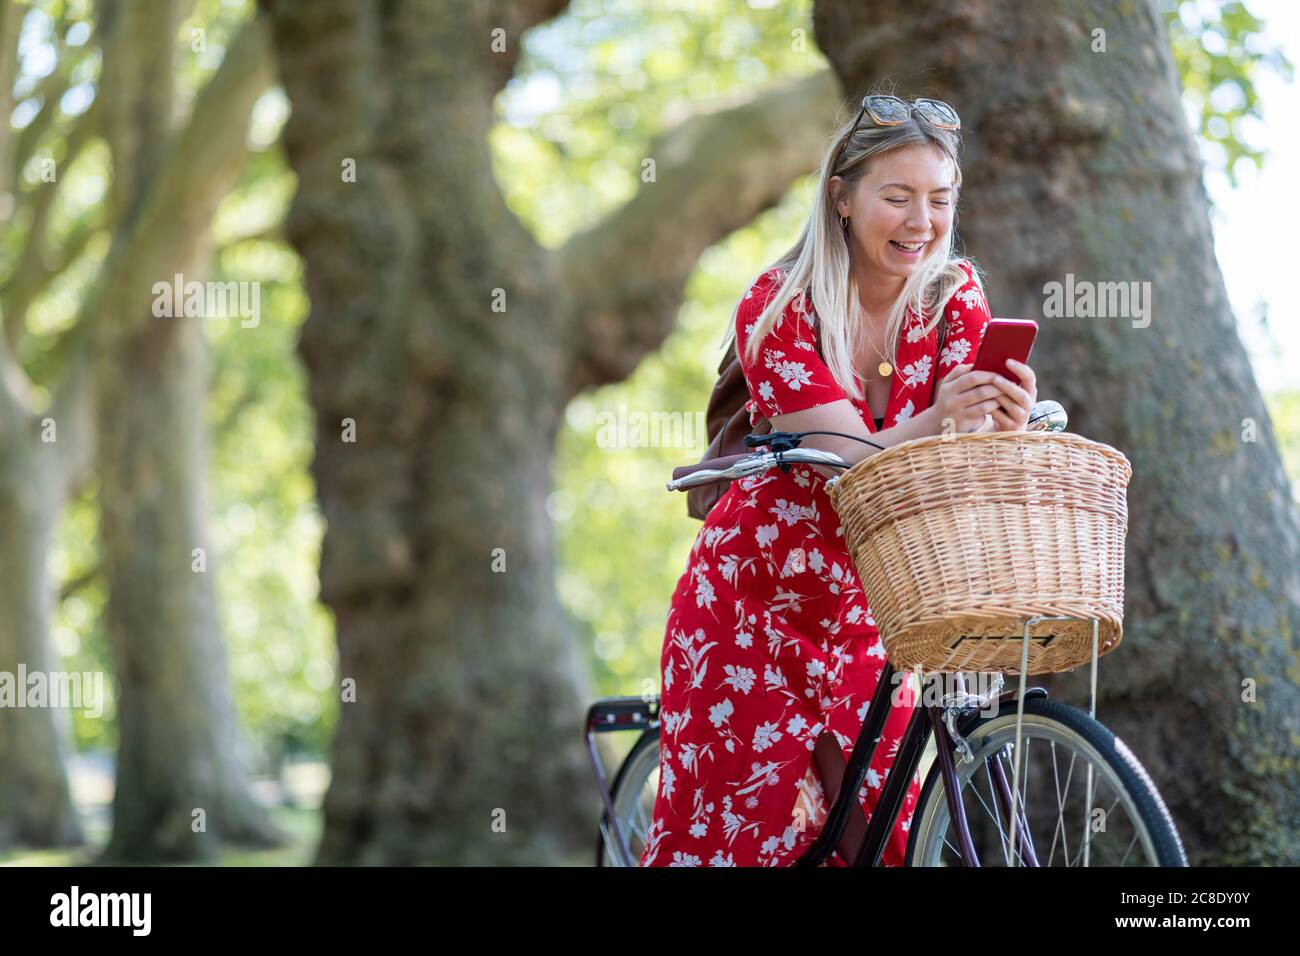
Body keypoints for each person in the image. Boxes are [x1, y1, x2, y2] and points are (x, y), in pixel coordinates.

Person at [639, 93, 1037, 867]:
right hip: (750, 612)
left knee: (880, 840)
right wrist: (942, 418)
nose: (921, 220)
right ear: (843, 197)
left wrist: (996, 419)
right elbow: (849, 463)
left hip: (869, 619)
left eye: (939, 199)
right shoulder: (779, 306)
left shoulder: (956, 302)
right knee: (737, 846)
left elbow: (955, 454)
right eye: (897, 196)